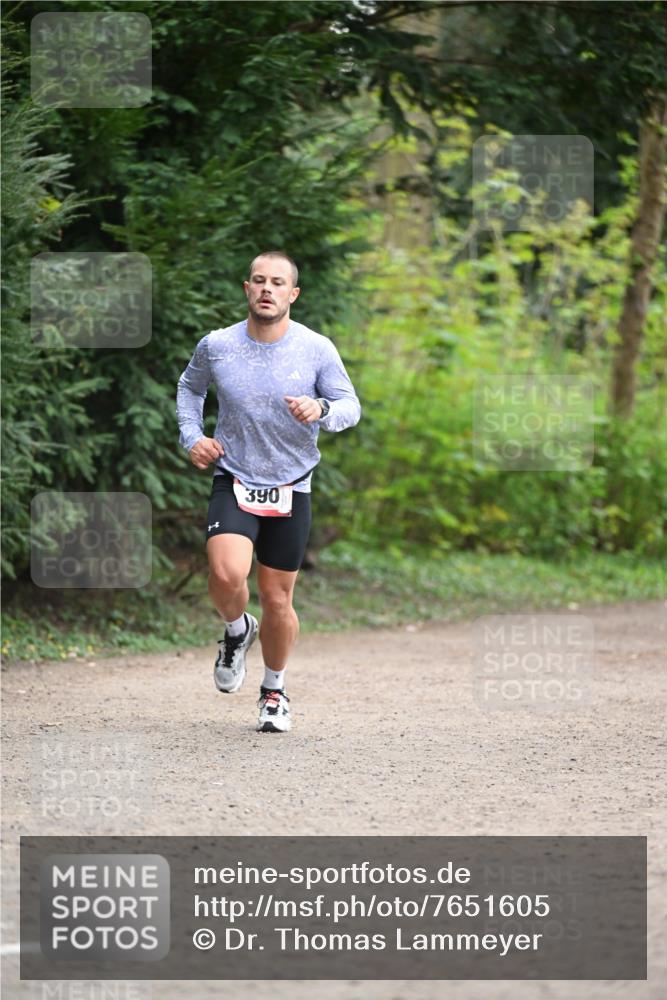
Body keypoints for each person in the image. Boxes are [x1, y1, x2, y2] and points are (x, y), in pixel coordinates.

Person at [176, 251, 361, 733]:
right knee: (224, 572)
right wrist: (192, 437)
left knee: (278, 600)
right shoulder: (217, 345)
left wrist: (321, 409)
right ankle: (237, 630)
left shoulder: (316, 348)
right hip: (233, 475)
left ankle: (274, 691)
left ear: (292, 294)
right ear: (247, 288)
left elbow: (350, 406)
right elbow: (189, 389)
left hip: (292, 485)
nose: (267, 289)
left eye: (277, 283)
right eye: (259, 281)